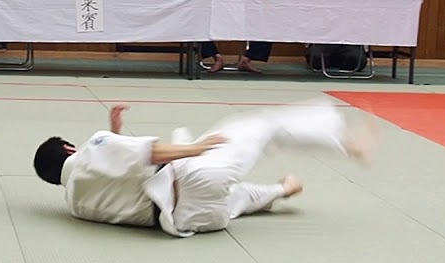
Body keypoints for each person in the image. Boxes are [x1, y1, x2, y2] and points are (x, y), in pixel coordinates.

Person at [33, 100, 377, 236]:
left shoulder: (74, 204)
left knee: (233, 198)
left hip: (190, 221)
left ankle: (280, 190)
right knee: (261, 125)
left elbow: (116, 178)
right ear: (68, 147)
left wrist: (116, 133)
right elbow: (150, 153)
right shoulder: (94, 147)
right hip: (192, 179)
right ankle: (347, 143)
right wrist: (196, 148)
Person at [303, 0, 387, 72]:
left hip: (351, 40)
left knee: (357, 61)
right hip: (325, 38)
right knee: (315, 60)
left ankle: (340, 61)